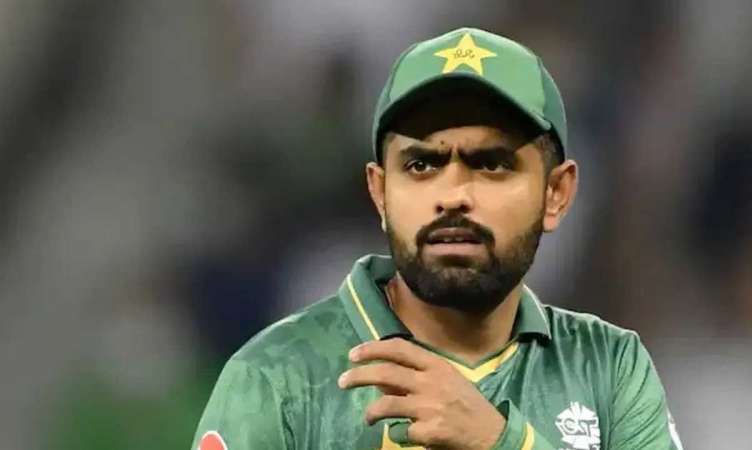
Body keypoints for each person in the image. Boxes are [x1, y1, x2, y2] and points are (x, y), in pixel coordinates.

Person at [190, 27, 684, 450]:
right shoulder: (276, 376)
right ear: (380, 193)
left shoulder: (609, 367)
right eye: (421, 165)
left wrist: (498, 441)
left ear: (556, 194)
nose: (453, 196)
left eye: (492, 164)